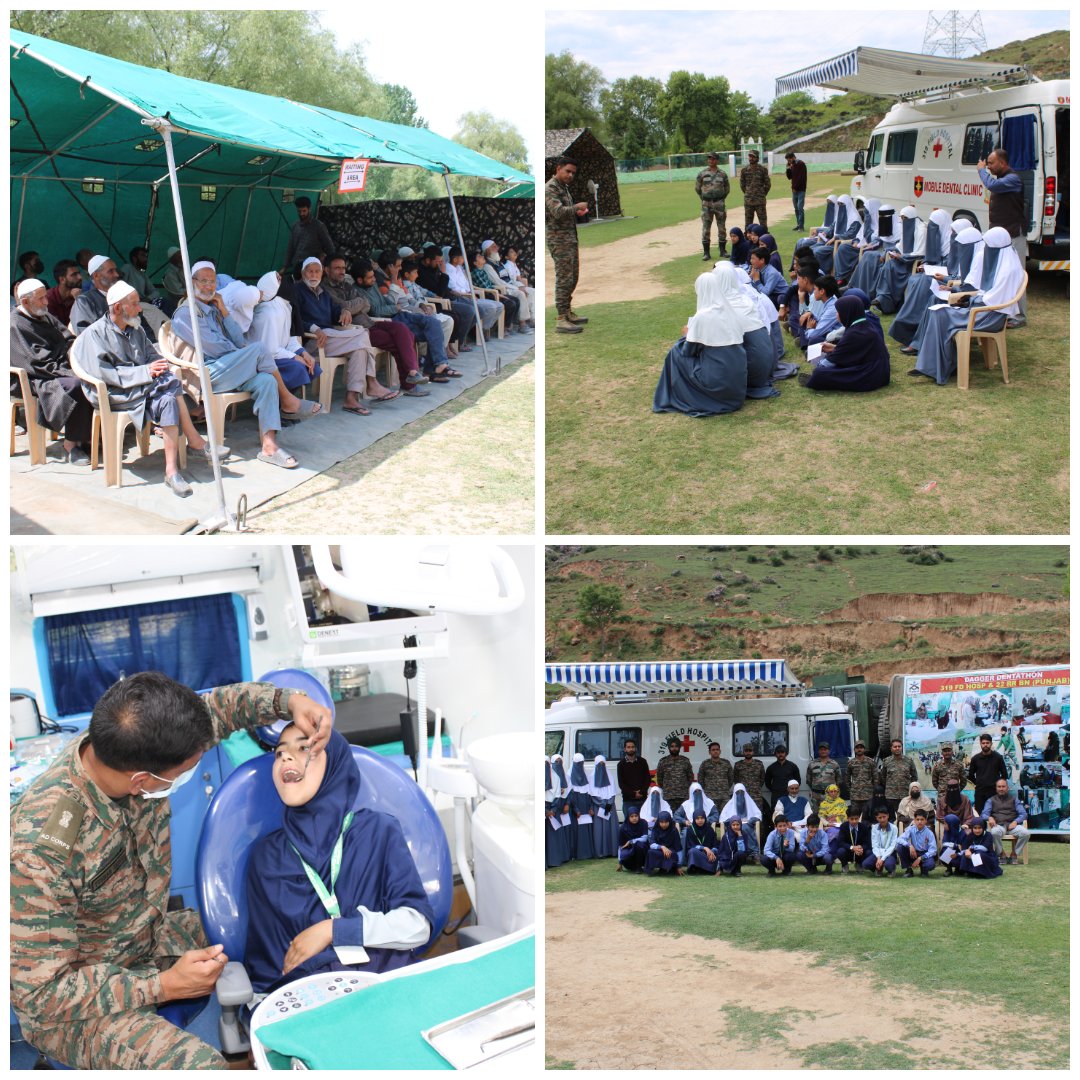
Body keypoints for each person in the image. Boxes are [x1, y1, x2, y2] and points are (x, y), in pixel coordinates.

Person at [10, 671, 332, 1070]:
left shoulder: (133, 743)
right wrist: (162, 985)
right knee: (204, 1069)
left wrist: (288, 701)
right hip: (77, 1004)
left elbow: (217, 709)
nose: (186, 778)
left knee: (270, 924)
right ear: (142, 781)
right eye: (183, 774)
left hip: (145, 936)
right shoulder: (39, 851)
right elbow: (40, 992)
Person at [245, 725, 433, 995]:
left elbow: (417, 926)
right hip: (314, 999)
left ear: (335, 763)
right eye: (279, 753)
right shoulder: (266, 857)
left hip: (387, 985)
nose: (285, 758)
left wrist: (334, 930)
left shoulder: (378, 831)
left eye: (303, 748)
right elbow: (270, 966)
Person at [74, 281, 226, 497]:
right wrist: (146, 372)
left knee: (168, 398)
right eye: (135, 304)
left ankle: (171, 472)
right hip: (115, 393)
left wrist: (160, 367)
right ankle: (195, 441)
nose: (139, 309)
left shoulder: (135, 328)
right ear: (118, 308)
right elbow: (103, 374)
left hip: (145, 388)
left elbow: (152, 356)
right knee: (170, 384)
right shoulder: (95, 334)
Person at [169, 262, 300, 468]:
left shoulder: (213, 309)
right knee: (259, 349)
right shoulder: (186, 313)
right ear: (191, 283)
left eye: (212, 281)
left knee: (266, 380)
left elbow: (238, 340)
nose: (208, 286)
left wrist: (224, 311)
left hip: (228, 367)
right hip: (206, 373)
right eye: (203, 281)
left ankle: (269, 446)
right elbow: (214, 349)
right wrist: (244, 356)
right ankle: (288, 399)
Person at [652, 269, 776, 417]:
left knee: (676, 352)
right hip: (737, 388)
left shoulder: (702, 317)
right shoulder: (732, 311)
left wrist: (688, 335)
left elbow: (688, 351)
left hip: (719, 385)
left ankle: (672, 392)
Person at [911, 226, 1024, 385]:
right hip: (982, 310)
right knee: (936, 311)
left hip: (988, 316)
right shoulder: (1003, 260)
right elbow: (986, 293)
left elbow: (993, 301)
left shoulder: (1008, 269)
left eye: (989, 246)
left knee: (940, 313)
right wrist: (967, 298)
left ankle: (936, 367)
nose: (986, 250)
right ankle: (931, 365)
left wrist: (967, 300)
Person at [291, 257, 401, 414]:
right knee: (362, 334)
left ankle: (351, 398)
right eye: (310, 271)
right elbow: (293, 319)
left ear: (322, 273)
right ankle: (371, 382)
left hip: (331, 338)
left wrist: (345, 310)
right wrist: (314, 328)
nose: (314, 275)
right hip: (313, 343)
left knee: (360, 350)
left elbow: (335, 312)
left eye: (317, 271)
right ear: (303, 273)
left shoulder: (323, 293)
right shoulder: (297, 291)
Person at [10, 279, 94, 464]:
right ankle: (71, 445)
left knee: (92, 377)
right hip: (34, 376)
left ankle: (90, 437)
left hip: (56, 368)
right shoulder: (14, 324)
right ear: (25, 302)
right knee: (76, 384)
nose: (46, 302)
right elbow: (32, 361)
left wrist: (75, 352)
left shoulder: (44, 316)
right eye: (40, 299)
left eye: (45, 297)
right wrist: (68, 371)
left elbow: (67, 337)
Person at [321, 256, 429, 395]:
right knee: (398, 342)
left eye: (343, 268)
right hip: (357, 330)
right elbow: (342, 306)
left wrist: (351, 307)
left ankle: (413, 373)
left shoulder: (346, 286)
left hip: (370, 322)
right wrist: (352, 306)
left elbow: (366, 304)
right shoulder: (325, 289)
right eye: (337, 268)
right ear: (327, 270)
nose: (342, 271)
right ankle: (409, 384)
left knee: (402, 328)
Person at [892, 223, 978, 352]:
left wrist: (945, 279)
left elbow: (967, 283)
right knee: (923, 280)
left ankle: (908, 327)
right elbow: (955, 272)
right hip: (953, 284)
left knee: (927, 284)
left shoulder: (975, 254)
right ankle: (908, 327)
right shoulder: (967, 248)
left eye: (954, 232)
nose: (952, 235)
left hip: (961, 293)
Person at [244, 271, 324, 399]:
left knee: (310, 364)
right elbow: (270, 350)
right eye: (280, 280)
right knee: (297, 367)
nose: (286, 283)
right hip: (261, 361)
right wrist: (295, 358)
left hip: (276, 355)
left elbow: (290, 340)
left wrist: (303, 353)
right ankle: (284, 405)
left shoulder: (284, 307)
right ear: (272, 287)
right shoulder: (269, 313)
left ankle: (286, 402)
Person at [977, 147, 1028, 326]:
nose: (988, 166)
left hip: (1014, 234)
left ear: (1002, 162)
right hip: (1004, 236)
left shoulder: (1012, 179)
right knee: (1001, 274)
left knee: (1018, 274)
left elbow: (992, 185)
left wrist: (981, 170)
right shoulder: (1004, 179)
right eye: (987, 164)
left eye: (991, 163)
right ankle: (1004, 311)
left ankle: (1020, 316)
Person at [545, 155, 589, 334]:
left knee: (572, 277)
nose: (570, 175)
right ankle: (561, 318)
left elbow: (565, 213)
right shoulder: (550, 188)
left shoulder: (563, 187)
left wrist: (575, 212)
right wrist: (577, 207)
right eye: (567, 171)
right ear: (558, 169)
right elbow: (557, 212)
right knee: (564, 278)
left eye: (573, 173)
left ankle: (567, 311)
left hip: (569, 238)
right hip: (559, 240)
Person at [282, 195, 335, 275]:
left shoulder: (319, 226)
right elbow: (290, 248)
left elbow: (330, 248)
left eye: (304, 211)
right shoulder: (295, 226)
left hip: (313, 269)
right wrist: (285, 267)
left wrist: (329, 266)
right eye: (299, 211)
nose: (301, 214)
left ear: (309, 209)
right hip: (297, 268)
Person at [70, 255, 121, 334]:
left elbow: (142, 326)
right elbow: (86, 334)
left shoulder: (123, 296)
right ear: (96, 276)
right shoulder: (84, 301)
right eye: (111, 271)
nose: (116, 274)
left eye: (116, 270)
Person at [983, 778, 1030, 864]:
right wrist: (989, 818)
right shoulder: (991, 800)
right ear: (996, 788)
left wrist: (1016, 821)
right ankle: (1001, 854)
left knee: (1025, 833)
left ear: (1007, 788)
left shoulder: (1014, 799)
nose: (1001, 789)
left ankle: (1014, 854)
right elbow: (984, 814)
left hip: (1013, 826)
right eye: (999, 787)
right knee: (994, 832)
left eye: (1003, 786)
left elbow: (1024, 814)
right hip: (999, 826)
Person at [696, 151, 730, 260]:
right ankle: (706, 253)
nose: (710, 160)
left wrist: (720, 199)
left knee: (722, 227)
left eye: (713, 159)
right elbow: (697, 188)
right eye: (709, 159)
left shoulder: (722, 174)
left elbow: (727, 188)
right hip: (706, 204)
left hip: (719, 203)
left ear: (717, 160)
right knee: (706, 228)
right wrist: (704, 198)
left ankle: (723, 251)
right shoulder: (702, 173)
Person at [719, 782, 762, 862]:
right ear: (734, 794)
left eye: (742, 792)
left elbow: (758, 815)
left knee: (746, 828)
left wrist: (750, 821)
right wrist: (735, 820)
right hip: (733, 826)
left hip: (747, 825)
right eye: (738, 793)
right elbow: (723, 819)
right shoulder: (730, 804)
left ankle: (753, 853)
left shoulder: (750, 802)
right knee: (741, 827)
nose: (740, 795)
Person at [967, 733, 1009, 814]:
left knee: (995, 815)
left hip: (994, 792)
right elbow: (970, 775)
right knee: (980, 815)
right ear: (980, 744)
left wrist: (998, 786)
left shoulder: (998, 758)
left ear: (991, 743)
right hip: (980, 792)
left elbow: (1004, 775)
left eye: (987, 743)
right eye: (983, 743)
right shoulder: (975, 759)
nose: (985, 745)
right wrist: (978, 783)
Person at [590, 755, 622, 857]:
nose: (601, 766)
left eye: (603, 764)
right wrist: (603, 804)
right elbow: (592, 794)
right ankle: (600, 853)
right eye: (599, 764)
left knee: (611, 829)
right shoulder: (592, 777)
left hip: (610, 806)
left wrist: (609, 803)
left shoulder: (610, 776)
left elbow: (612, 792)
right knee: (598, 830)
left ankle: (611, 851)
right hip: (598, 806)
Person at [566, 753, 596, 860]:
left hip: (586, 809)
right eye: (578, 763)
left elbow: (590, 793)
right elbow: (569, 795)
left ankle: (588, 853)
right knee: (575, 832)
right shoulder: (568, 776)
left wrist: (591, 808)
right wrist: (576, 810)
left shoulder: (586, 774)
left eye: (581, 763)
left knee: (586, 831)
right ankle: (576, 854)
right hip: (576, 811)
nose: (580, 765)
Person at [545, 757, 572, 869]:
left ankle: (553, 860)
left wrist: (552, 810)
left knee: (552, 838)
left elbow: (557, 795)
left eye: (546, 764)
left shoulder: (556, 778)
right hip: (543, 809)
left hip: (553, 810)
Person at [878, 739, 918, 816]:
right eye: (895, 747)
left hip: (905, 795)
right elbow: (883, 777)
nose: (897, 748)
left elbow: (914, 776)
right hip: (891, 796)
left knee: (906, 817)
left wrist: (909, 788)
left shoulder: (909, 760)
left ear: (902, 747)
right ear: (891, 748)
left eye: (899, 746)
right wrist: (890, 786)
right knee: (891, 817)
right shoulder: (886, 761)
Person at [762, 744, 801, 821]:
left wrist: (792, 790)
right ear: (775, 754)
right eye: (778, 752)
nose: (780, 754)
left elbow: (797, 781)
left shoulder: (792, 766)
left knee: (790, 813)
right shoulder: (771, 768)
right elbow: (767, 782)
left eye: (782, 752)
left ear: (786, 753)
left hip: (790, 795)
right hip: (776, 795)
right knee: (776, 815)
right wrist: (775, 789)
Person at [655, 737, 694, 809]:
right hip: (669, 796)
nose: (674, 748)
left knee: (683, 818)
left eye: (676, 746)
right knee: (669, 818)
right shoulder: (663, 761)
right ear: (669, 748)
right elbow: (660, 779)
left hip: (683, 796)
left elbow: (690, 777)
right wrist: (667, 788)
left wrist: (683, 787)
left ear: (679, 747)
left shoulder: (685, 761)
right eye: (672, 746)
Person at [897, 808, 937, 877]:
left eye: (922, 819)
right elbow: (899, 839)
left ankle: (924, 870)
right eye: (917, 819)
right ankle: (909, 870)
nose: (919, 822)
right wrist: (909, 845)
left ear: (926, 821)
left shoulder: (929, 833)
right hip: (913, 853)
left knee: (931, 865)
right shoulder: (911, 829)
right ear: (914, 820)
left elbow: (933, 850)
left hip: (924, 854)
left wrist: (920, 858)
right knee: (900, 847)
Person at [831, 806, 871, 873]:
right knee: (840, 851)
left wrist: (860, 847)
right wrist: (852, 847)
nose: (854, 821)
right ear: (847, 818)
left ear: (859, 818)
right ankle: (844, 865)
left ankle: (859, 864)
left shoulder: (863, 827)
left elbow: (867, 843)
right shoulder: (844, 826)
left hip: (860, 852)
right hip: (848, 851)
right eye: (852, 819)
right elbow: (840, 842)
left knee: (869, 852)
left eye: (856, 819)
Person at [617, 737, 651, 816]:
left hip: (643, 799)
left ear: (635, 748)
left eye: (632, 747)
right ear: (625, 749)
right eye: (628, 747)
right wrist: (633, 794)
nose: (631, 749)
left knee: (644, 821)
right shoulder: (621, 764)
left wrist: (641, 792)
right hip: (628, 801)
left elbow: (647, 779)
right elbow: (621, 783)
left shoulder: (642, 762)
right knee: (629, 824)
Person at [696, 741, 734, 810]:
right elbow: (700, 779)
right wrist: (707, 790)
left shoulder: (726, 763)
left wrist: (725, 788)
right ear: (709, 752)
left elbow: (731, 778)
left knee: (725, 818)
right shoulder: (705, 764)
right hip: (710, 797)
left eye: (717, 749)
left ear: (720, 751)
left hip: (724, 796)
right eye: (713, 750)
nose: (715, 751)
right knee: (712, 818)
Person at [46, 259, 83, 327]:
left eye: (79, 273)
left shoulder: (80, 296)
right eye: (74, 274)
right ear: (62, 280)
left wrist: (80, 301)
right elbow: (52, 327)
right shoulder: (48, 298)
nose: (80, 277)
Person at [806, 742, 842, 812]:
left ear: (829, 751)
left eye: (825, 749)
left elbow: (839, 780)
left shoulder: (834, 764)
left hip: (830, 795)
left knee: (831, 816)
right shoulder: (812, 764)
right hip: (816, 796)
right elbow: (808, 780)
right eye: (821, 749)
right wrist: (816, 788)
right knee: (816, 816)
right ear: (818, 751)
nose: (823, 751)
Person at [681, 810, 721, 874]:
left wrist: (712, 851)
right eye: (697, 818)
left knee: (715, 854)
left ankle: (704, 869)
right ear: (694, 819)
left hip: (708, 855)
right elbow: (690, 845)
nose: (700, 820)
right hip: (696, 853)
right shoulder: (690, 830)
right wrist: (704, 848)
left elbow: (716, 844)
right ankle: (699, 869)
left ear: (705, 818)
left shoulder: (709, 829)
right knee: (692, 851)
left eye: (702, 818)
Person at [739, 150, 771, 229]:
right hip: (748, 201)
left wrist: (762, 193)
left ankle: (764, 239)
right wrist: (748, 193)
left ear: (757, 158)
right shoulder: (744, 170)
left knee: (763, 224)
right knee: (748, 224)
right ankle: (747, 239)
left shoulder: (763, 170)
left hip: (760, 201)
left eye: (753, 157)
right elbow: (742, 185)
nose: (751, 158)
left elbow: (768, 184)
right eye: (750, 156)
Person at [845, 740, 876, 820]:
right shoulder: (851, 763)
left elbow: (875, 777)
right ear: (854, 750)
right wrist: (851, 790)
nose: (859, 749)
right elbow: (847, 778)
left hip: (868, 795)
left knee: (868, 816)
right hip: (855, 796)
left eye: (861, 748)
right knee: (855, 816)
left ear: (864, 749)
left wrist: (873, 790)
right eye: (857, 748)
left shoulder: (870, 762)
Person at [864, 806, 899, 876]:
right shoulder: (874, 828)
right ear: (876, 818)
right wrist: (878, 858)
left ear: (888, 816)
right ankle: (879, 868)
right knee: (866, 864)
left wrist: (882, 859)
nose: (882, 820)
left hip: (890, 853)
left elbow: (892, 846)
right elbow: (875, 845)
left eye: (884, 817)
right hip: (878, 853)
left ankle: (891, 870)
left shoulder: (894, 828)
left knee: (889, 864)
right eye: (880, 818)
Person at [645, 810, 682, 875]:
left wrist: (679, 866)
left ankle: (669, 868)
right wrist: (662, 847)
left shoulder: (673, 830)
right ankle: (652, 869)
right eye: (661, 822)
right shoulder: (655, 829)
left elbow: (678, 848)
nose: (664, 824)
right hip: (659, 850)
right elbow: (652, 844)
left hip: (670, 852)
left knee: (671, 854)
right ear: (658, 822)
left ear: (669, 821)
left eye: (666, 822)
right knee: (651, 852)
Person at [616, 808, 649, 873]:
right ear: (628, 817)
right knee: (625, 855)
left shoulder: (643, 823)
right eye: (632, 816)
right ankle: (634, 867)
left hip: (642, 850)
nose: (634, 818)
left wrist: (631, 841)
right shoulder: (623, 828)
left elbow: (645, 838)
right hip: (629, 851)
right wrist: (620, 862)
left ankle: (639, 867)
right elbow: (620, 846)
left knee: (639, 844)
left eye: (636, 816)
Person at [785, 153, 807, 231]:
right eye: (787, 160)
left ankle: (801, 226)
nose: (789, 161)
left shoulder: (801, 164)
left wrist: (795, 187)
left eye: (790, 159)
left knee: (800, 208)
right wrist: (788, 168)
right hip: (794, 190)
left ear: (794, 157)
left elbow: (801, 178)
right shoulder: (792, 165)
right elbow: (789, 177)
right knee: (796, 208)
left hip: (800, 190)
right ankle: (798, 224)